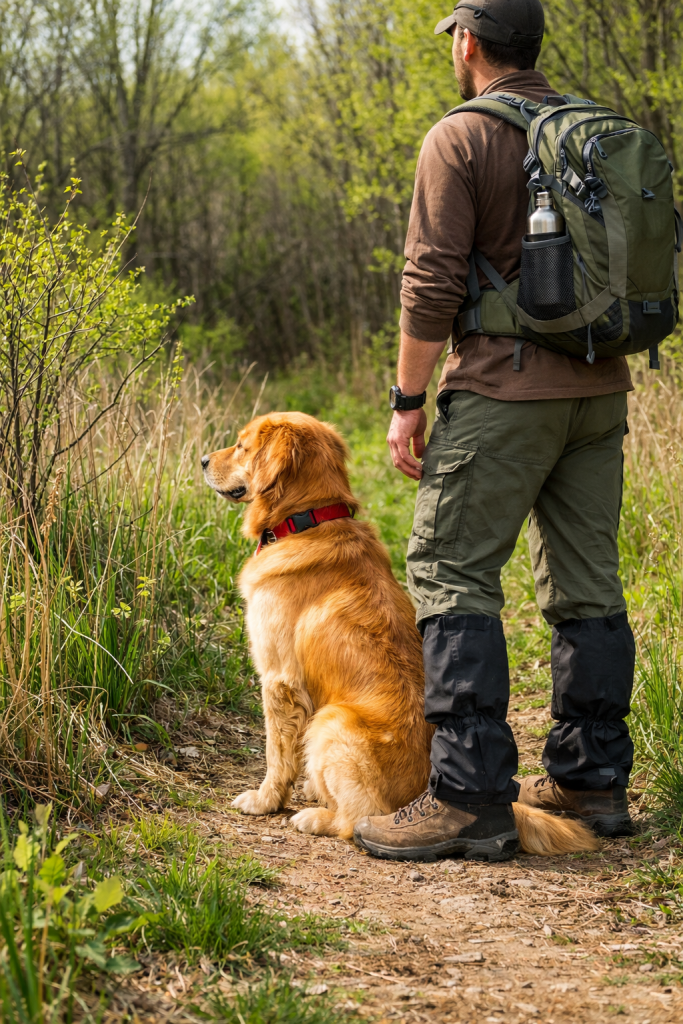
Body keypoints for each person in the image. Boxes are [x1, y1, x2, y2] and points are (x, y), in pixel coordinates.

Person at [353, 0, 636, 862]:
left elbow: (429, 279)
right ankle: (592, 781)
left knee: (449, 571)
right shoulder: (594, 130)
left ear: (468, 43)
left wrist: (407, 400)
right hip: (599, 393)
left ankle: (468, 794)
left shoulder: (460, 138)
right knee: (587, 586)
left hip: (502, 395)